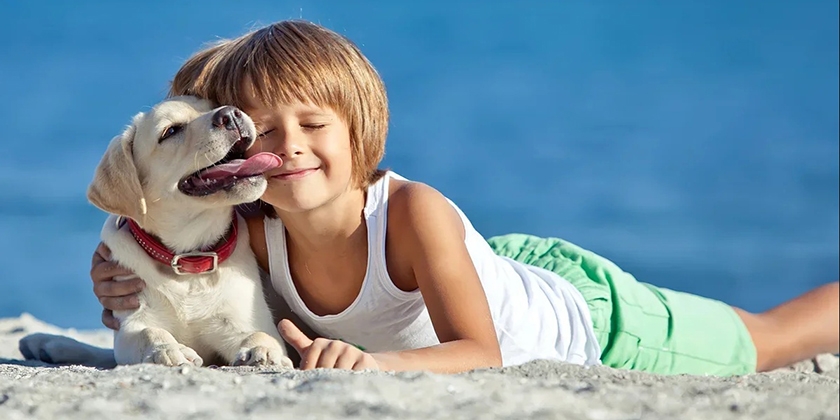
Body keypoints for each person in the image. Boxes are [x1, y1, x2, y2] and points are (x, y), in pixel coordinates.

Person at [89, 20, 839, 376]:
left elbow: (483, 353)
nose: (289, 147)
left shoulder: (414, 212)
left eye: (314, 125)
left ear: (361, 134)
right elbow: (173, 255)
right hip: (486, 267)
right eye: (267, 132)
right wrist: (114, 282)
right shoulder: (249, 225)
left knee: (769, 340)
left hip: (587, 320)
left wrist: (373, 368)